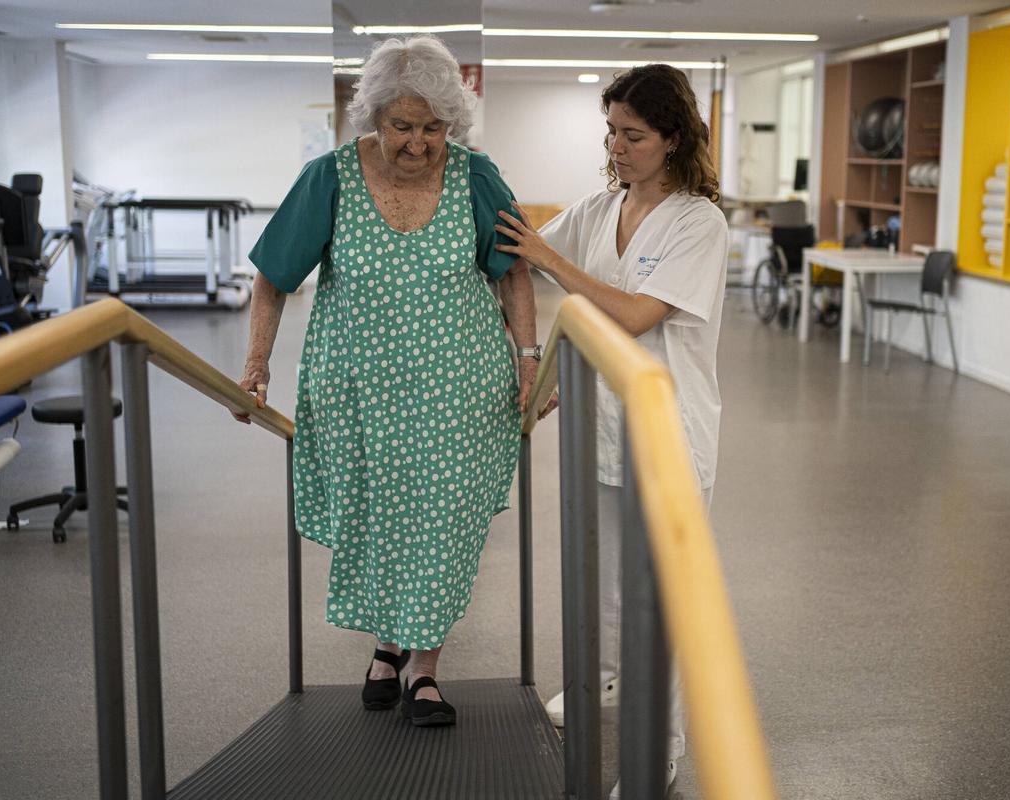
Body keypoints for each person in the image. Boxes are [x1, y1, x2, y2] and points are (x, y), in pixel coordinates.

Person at [237, 35, 540, 728]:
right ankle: (386, 649)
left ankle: (423, 672)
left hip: (459, 391)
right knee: (379, 518)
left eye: (434, 128)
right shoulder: (330, 177)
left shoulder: (475, 176)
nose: (419, 143)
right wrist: (256, 367)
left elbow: (514, 271)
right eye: (403, 126)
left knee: (440, 525)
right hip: (358, 392)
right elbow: (273, 278)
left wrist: (529, 360)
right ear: (373, 115)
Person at [493, 63, 727, 797]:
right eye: (611, 133)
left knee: (662, 601)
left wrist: (547, 258)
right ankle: (598, 684)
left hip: (668, 433)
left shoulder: (698, 222)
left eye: (634, 135)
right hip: (597, 426)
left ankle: (662, 749)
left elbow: (632, 315)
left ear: (674, 138)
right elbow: (516, 257)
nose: (616, 148)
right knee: (601, 587)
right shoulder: (599, 209)